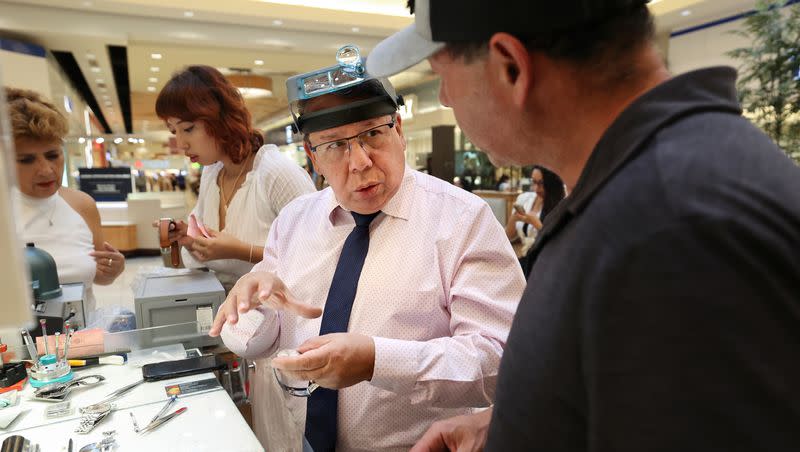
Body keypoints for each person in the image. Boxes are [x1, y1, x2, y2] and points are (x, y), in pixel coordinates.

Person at [367, 0, 800, 451]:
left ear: (510, 66)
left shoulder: (669, 229)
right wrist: (521, 417)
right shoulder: (654, 185)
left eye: (443, 74)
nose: (445, 98)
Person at [209, 47, 524, 452]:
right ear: (312, 156)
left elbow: (502, 362)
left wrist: (377, 360)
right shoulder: (294, 221)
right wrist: (254, 300)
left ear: (399, 130)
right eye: (335, 145)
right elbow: (252, 343)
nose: (359, 162)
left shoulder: (462, 220)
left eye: (372, 134)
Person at [154, 65, 315, 292]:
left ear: (219, 119)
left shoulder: (277, 173)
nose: (180, 144)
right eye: (174, 131)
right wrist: (189, 239)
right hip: (225, 312)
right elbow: (209, 250)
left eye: (188, 128)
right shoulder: (212, 173)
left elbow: (317, 254)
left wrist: (242, 251)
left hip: (279, 314)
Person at [6, 87, 125, 317]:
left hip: (83, 342)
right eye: (27, 160)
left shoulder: (82, 205)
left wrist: (113, 270)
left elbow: (99, 275)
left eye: (53, 155)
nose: (46, 169)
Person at [505, 165, 565, 259]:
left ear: (551, 184)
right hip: (524, 258)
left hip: (545, 259)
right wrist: (514, 218)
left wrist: (535, 223)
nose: (536, 188)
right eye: (533, 182)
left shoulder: (561, 205)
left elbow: (558, 244)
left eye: (541, 183)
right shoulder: (524, 199)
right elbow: (508, 236)